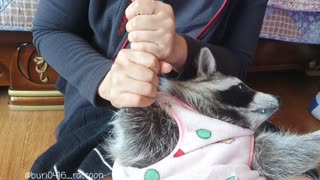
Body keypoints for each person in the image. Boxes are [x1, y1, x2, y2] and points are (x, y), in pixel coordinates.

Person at [29, 0, 318, 179]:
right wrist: (105, 78)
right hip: (109, 105)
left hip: (214, 104)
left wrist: (181, 50)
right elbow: (50, 29)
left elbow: (237, 64)